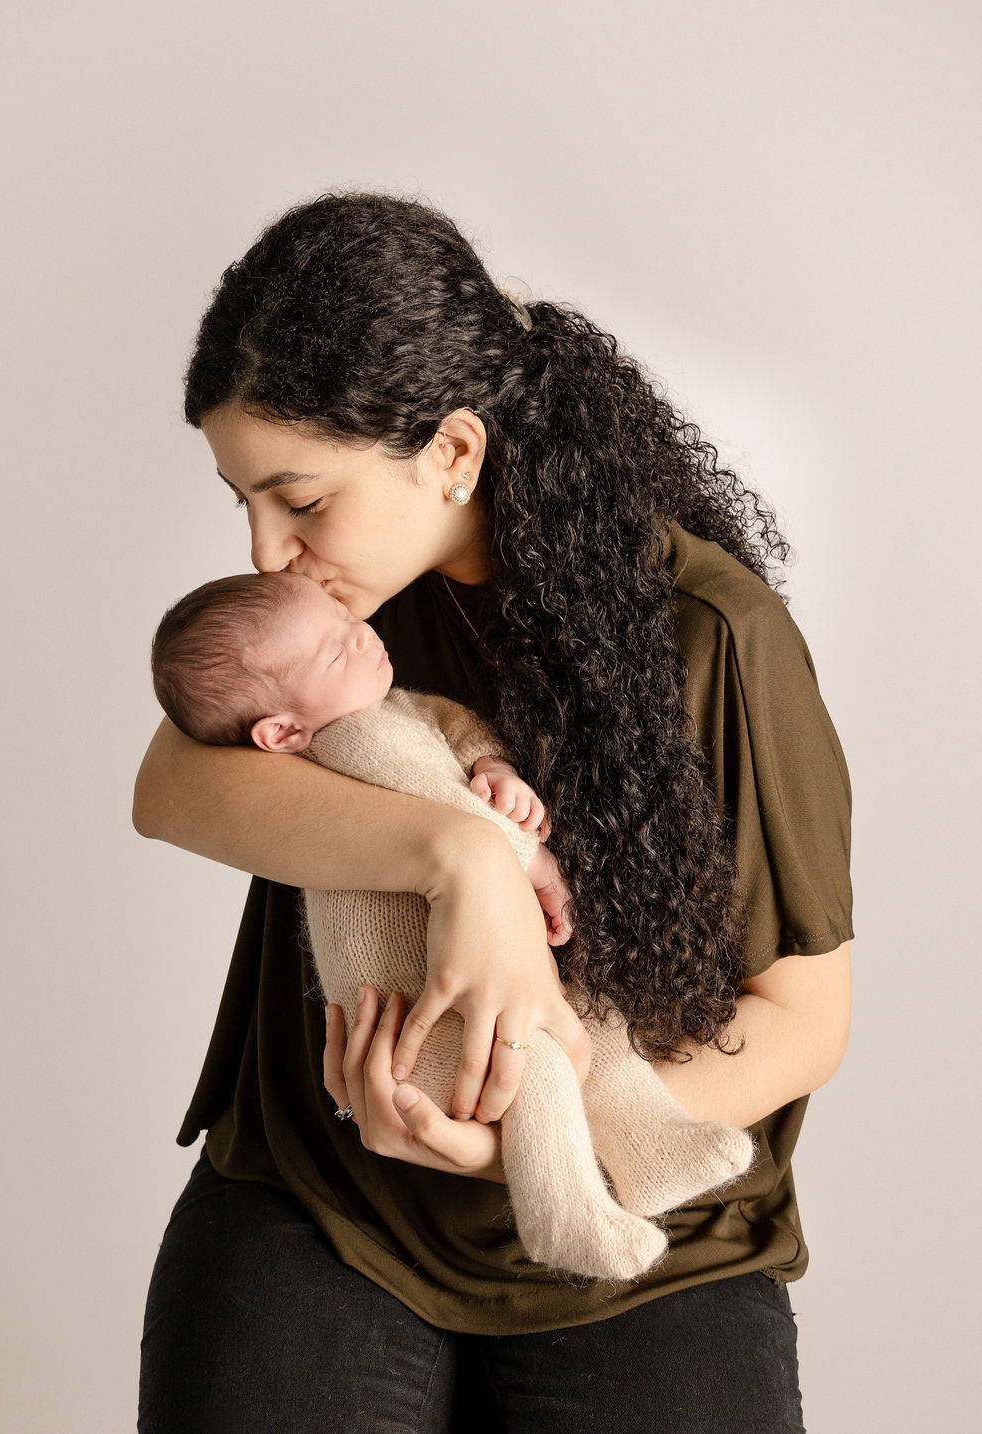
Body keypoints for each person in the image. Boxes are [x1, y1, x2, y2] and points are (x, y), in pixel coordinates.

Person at [134, 189, 853, 1433]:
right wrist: (462, 857)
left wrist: (538, 1129)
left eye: (300, 501)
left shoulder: (712, 636)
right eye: (240, 499)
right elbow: (172, 786)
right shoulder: (336, 620)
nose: (265, 550)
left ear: (454, 450)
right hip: (326, 1187)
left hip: (645, 1213)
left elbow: (804, 1026)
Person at [148, 568, 755, 1281]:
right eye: (337, 649)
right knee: (533, 1062)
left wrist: (490, 761)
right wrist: (529, 860)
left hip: (452, 985)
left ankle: (654, 1146)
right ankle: (563, 1212)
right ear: (282, 730)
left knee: (587, 1023)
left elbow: (450, 726)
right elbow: (441, 802)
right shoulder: (348, 742)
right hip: (417, 1010)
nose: (364, 636)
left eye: (347, 620)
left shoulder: (391, 708)